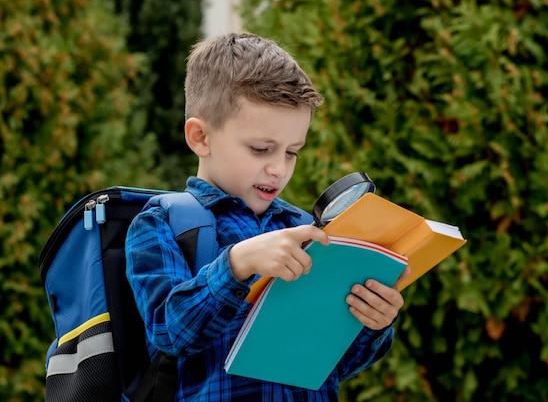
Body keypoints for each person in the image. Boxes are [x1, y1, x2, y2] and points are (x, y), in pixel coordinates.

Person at [125, 32, 410, 402]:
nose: (278, 169)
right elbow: (168, 332)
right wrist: (236, 264)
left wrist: (374, 322)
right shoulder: (164, 223)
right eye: (261, 149)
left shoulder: (304, 229)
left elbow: (334, 366)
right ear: (200, 137)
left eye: (292, 152)